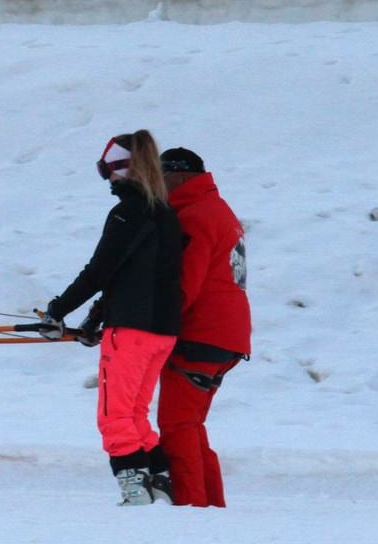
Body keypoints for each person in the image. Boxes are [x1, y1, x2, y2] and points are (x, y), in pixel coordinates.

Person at [37, 131, 182, 506]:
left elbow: (100, 270)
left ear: (122, 169)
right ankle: (160, 485)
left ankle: (135, 492)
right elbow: (135, 274)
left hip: (132, 331)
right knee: (135, 413)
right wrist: (96, 318)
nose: (107, 181)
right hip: (162, 331)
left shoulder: (126, 213)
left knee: (114, 417)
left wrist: (58, 310)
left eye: (106, 171)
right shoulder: (166, 215)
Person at [155, 147, 251, 508]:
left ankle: (192, 509)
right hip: (228, 336)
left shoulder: (193, 216)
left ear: (177, 177)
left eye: (159, 178)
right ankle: (211, 506)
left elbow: (184, 285)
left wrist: (151, 325)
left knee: (177, 427)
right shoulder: (218, 209)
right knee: (192, 426)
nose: (156, 187)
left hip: (200, 335)